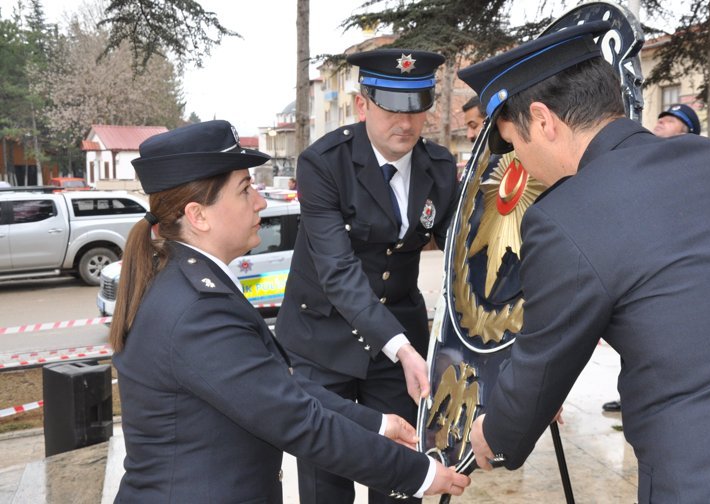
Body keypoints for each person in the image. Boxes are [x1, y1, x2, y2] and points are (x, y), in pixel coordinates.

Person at [459, 20, 710, 503]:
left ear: (543, 120)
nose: (519, 163)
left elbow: (542, 363)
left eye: (515, 144)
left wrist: (496, 434)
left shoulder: (567, 215)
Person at [109, 120, 469, 502]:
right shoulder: (198, 311)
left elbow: (279, 384)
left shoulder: (188, 283)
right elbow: (299, 421)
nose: (261, 202)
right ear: (198, 215)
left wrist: (377, 424)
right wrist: (420, 473)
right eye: (245, 190)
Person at [275, 48, 459, 504]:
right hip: (323, 337)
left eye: (416, 107)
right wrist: (403, 350)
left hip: (398, 338)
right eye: (392, 107)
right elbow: (338, 272)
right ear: (362, 106)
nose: (406, 122)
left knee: (401, 474)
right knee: (326, 481)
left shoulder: (439, 167)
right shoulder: (324, 163)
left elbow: (462, 252)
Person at [602, 101, 703, 414]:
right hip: (638, 261)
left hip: (675, 266)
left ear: (688, 133)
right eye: (661, 117)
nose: (661, 122)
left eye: (672, 120)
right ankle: (631, 397)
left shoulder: (692, 168)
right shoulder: (639, 162)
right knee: (632, 335)